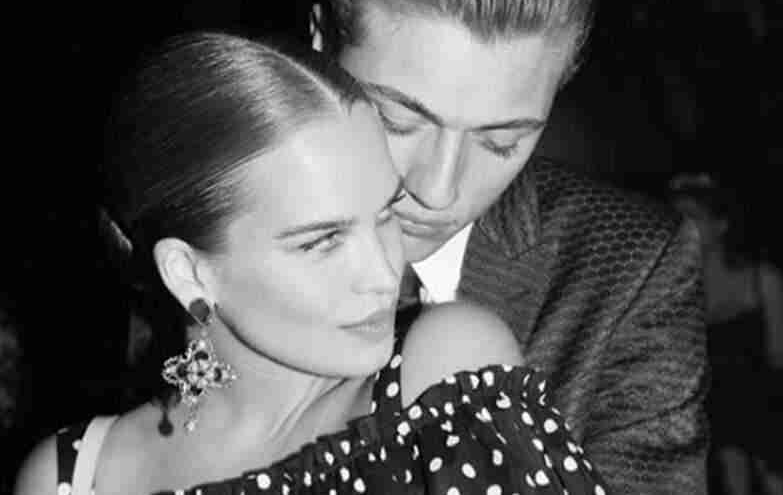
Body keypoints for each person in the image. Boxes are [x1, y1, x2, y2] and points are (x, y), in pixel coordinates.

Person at [14, 32, 608, 494]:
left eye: (386, 213)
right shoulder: (71, 475)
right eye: (322, 241)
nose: (385, 275)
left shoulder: (443, 373)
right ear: (190, 274)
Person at [308, 0, 708, 493]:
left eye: (501, 141)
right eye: (396, 120)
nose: (437, 191)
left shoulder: (630, 269)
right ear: (320, 45)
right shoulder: (204, 226)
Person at [668, 174, 783, 495]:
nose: (682, 227)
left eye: (693, 217)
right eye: (676, 217)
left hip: (762, 415)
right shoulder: (677, 291)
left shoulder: (763, 280)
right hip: (712, 422)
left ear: (720, 224)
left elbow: (780, 359)